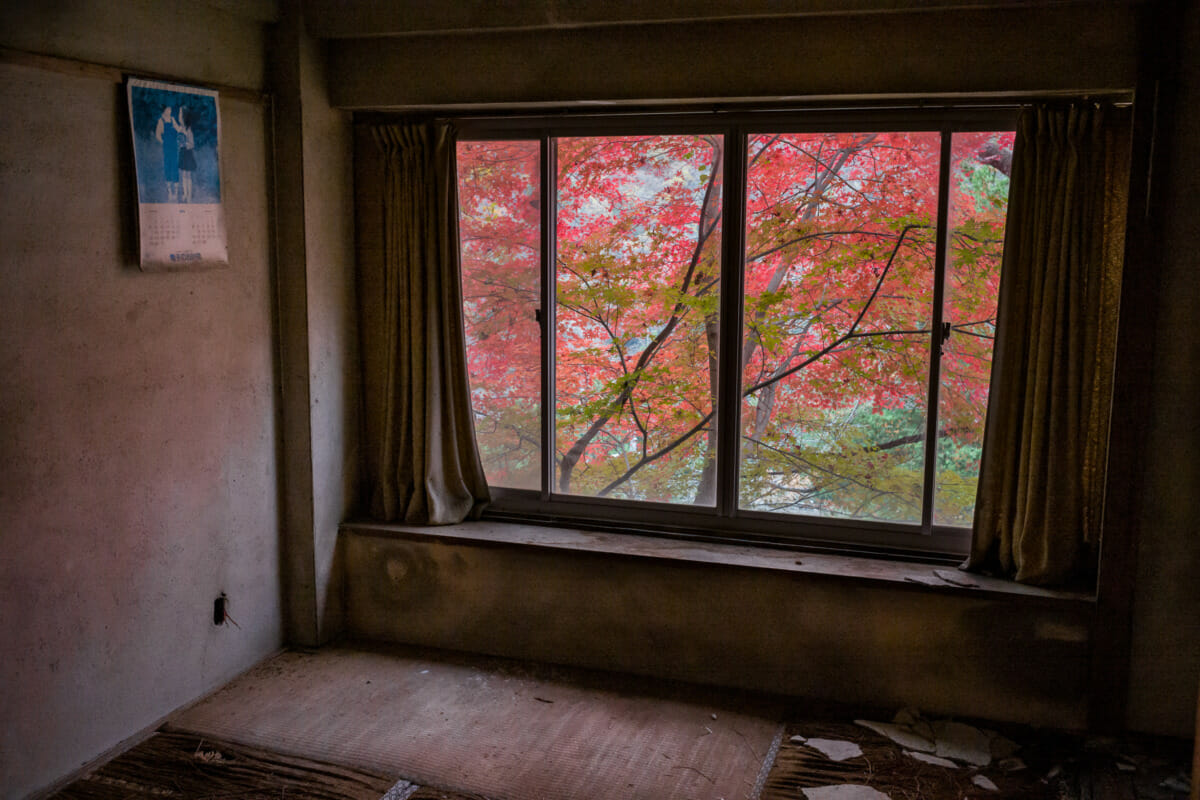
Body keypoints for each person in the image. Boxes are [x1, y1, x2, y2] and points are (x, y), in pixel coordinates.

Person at [154, 105, 180, 202]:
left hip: (174, 147)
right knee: (167, 167)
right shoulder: (161, 120)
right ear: (164, 110)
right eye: (168, 109)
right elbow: (157, 134)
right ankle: (169, 191)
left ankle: (176, 192)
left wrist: (183, 130)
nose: (170, 111)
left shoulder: (173, 119)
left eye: (170, 109)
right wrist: (163, 142)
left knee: (175, 167)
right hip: (167, 147)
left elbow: (178, 129)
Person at [176, 106, 197, 204]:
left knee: (188, 175)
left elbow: (192, 144)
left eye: (180, 114)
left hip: (188, 154)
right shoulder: (180, 128)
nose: (179, 116)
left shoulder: (188, 130)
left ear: (184, 117)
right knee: (183, 174)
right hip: (182, 153)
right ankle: (185, 194)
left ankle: (189, 196)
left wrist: (185, 144)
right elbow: (178, 139)